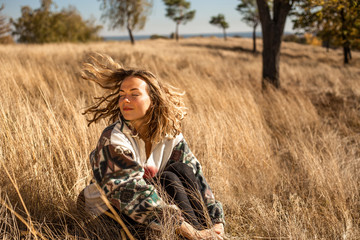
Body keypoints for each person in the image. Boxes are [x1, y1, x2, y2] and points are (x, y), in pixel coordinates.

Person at [81, 54, 225, 239]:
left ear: (154, 100)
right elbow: (131, 194)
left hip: (152, 208)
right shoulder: (114, 138)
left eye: (134, 94)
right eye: (122, 95)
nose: (125, 100)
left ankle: (209, 233)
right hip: (106, 211)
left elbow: (196, 175)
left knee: (177, 171)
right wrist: (192, 232)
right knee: (162, 181)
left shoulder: (170, 135)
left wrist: (216, 221)